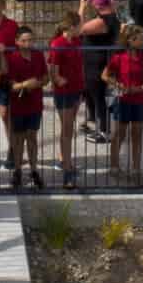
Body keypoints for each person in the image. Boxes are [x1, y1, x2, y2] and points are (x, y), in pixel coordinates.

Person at [104, 21, 143, 185]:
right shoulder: (118, 58)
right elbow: (105, 75)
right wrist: (118, 85)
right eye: (140, 38)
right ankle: (114, 166)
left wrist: (139, 89)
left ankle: (136, 169)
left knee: (137, 135)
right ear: (131, 40)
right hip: (122, 100)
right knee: (119, 134)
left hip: (138, 100)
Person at [3, 22, 47, 190]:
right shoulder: (12, 58)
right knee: (18, 138)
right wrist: (25, 84)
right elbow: (12, 86)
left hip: (35, 103)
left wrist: (36, 84)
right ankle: (18, 170)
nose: (28, 44)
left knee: (32, 137)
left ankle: (34, 170)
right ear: (17, 41)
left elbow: (46, 78)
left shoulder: (37, 55)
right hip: (19, 105)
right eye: (24, 40)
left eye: (30, 40)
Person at [76, 0, 119, 145]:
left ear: (98, 4)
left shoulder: (102, 21)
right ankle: (94, 122)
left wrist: (81, 8)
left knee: (98, 96)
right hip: (94, 62)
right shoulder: (110, 15)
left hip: (96, 63)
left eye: (93, 0)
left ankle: (104, 131)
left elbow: (78, 29)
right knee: (90, 93)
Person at [48, 14, 87, 189]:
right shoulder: (58, 44)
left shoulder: (77, 41)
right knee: (67, 128)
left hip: (77, 88)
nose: (81, 28)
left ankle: (65, 160)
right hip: (64, 91)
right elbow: (53, 69)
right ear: (71, 27)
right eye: (79, 26)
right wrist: (57, 79)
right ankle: (67, 168)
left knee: (68, 128)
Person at [0, 0, 20, 168]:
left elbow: (17, 51)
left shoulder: (11, 26)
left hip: (6, 74)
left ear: (2, 7)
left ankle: (13, 150)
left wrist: (4, 51)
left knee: (5, 113)